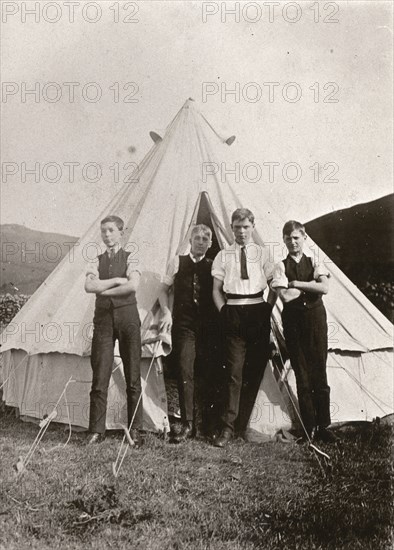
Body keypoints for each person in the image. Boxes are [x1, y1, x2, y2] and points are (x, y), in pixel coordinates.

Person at [212, 208, 276, 447]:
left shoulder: (262, 253)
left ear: (253, 227)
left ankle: (244, 425)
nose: (241, 232)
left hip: (258, 310)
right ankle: (227, 428)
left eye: (246, 227)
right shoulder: (223, 255)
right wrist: (224, 312)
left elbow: (274, 285)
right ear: (231, 227)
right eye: (237, 227)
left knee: (254, 371)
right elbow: (215, 289)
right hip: (234, 310)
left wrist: (267, 309)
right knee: (233, 372)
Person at [271, 220, 337, 443]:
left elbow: (324, 288)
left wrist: (296, 283)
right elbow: (286, 297)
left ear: (304, 238)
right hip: (294, 324)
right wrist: (311, 285)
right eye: (288, 238)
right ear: (284, 240)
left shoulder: (315, 260)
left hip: (316, 321)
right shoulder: (280, 266)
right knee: (302, 374)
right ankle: (310, 428)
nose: (292, 242)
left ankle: (324, 425)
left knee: (320, 372)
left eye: (296, 237)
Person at [84, 215, 143, 446]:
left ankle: (135, 428)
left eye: (111, 231)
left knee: (133, 375)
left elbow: (133, 285)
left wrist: (103, 289)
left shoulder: (132, 256)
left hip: (128, 319)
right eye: (103, 231)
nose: (107, 235)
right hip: (104, 321)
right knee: (100, 375)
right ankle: (96, 430)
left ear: (121, 232)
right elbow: (89, 285)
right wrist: (117, 280)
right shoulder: (95, 260)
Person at [159, 224, 220, 442]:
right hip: (184, 325)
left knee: (209, 373)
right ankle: (187, 424)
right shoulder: (178, 261)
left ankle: (207, 425)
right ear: (190, 240)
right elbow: (162, 289)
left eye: (205, 238)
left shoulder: (215, 265)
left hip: (208, 326)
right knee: (186, 371)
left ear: (211, 243)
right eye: (197, 238)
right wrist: (166, 312)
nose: (201, 241)